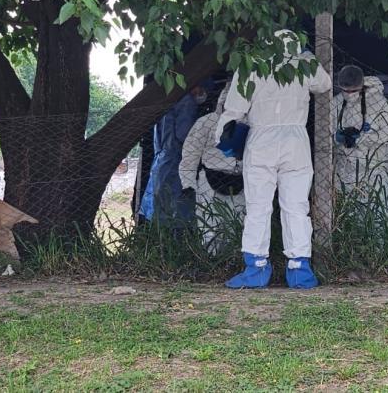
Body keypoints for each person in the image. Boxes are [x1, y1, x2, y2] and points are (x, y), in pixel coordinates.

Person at [215, 29, 332, 289]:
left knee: (258, 207)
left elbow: (234, 109)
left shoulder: (251, 65)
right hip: (296, 141)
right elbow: (324, 84)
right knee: (296, 207)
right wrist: (307, 56)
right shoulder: (302, 64)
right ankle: (299, 270)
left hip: (261, 140)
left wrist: (224, 139)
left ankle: (255, 268)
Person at [180, 86, 246, 254]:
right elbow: (190, 154)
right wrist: (188, 184)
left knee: (238, 226)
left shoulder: (249, 123)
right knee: (209, 227)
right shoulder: (206, 122)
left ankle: (232, 262)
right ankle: (211, 261)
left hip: (241, 180)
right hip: (209, 180)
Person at [332, 65, 388, 216]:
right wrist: (336, 137)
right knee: (346, 216)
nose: (349, 95)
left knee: (378, 215)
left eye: (353, 91)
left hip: (373, 170)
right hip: (344, 171)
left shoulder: (378, 102)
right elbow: (324, 134)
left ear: (361, 86)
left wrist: (365, 137)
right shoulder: (336, 103)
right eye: (345, 91)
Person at [138, 83, 205, 226]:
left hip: (161, 159)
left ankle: (158, 236)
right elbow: (184, 134)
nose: (202, 94)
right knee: (176, 208)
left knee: (158, 204)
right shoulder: (187, 102)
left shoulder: (167, 101)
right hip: (177, 159)